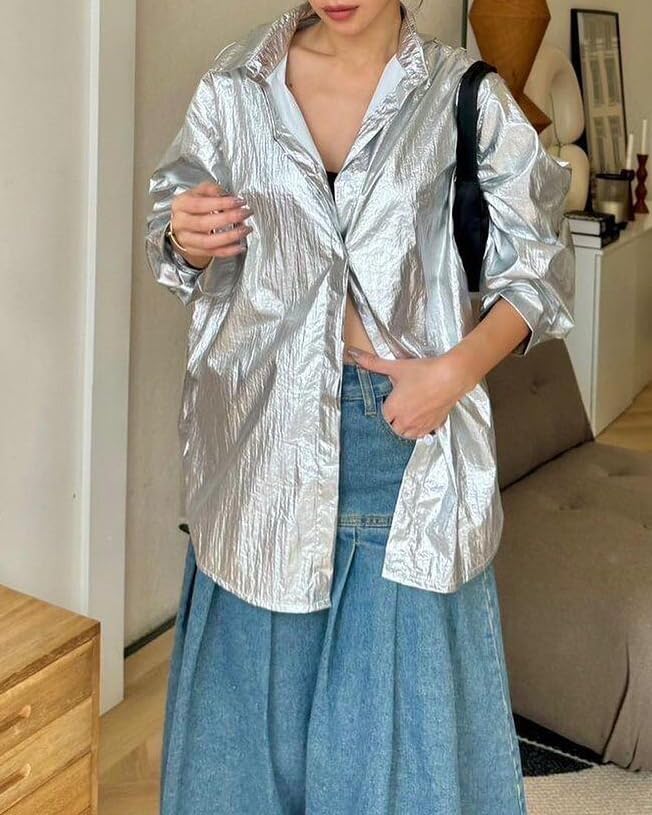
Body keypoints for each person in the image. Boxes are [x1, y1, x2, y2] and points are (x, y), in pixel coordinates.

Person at [144, 0, 575, 812]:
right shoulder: (238, 85)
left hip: (403, 449)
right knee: (242, 770)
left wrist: (453, 373)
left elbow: (542, 270)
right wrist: (183, 236)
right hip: (259, 449)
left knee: (395, 767)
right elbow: (171, 238)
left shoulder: (465, 96)